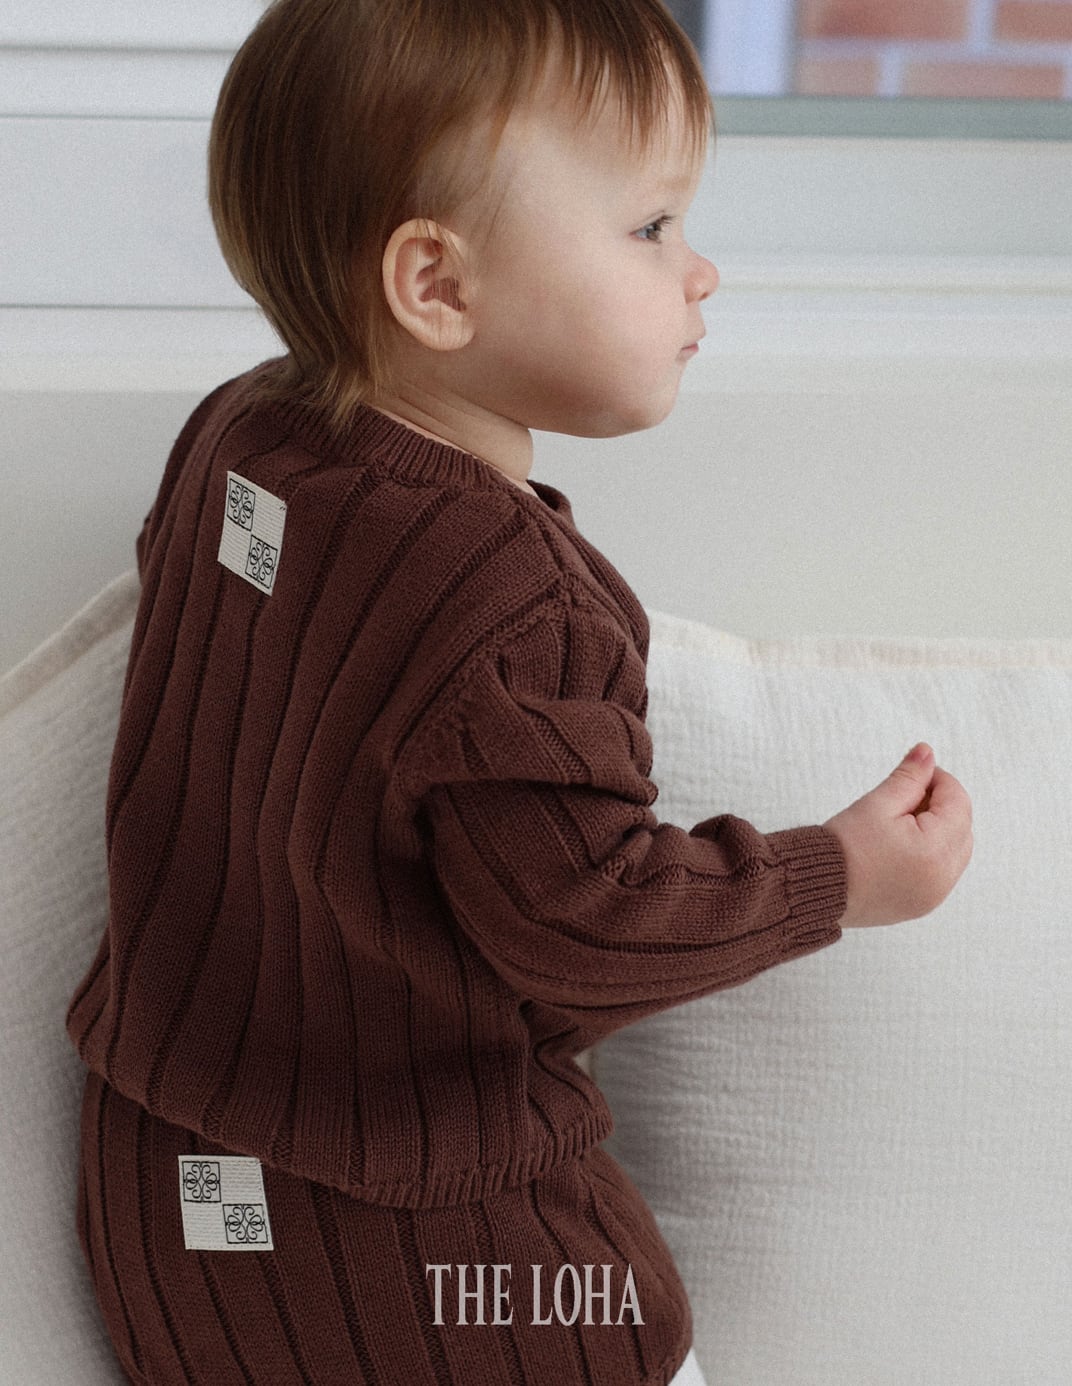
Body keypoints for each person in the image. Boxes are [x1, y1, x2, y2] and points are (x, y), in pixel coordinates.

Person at [66, 1, 973, 1382]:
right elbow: (584, 922)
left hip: (167, 1202)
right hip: (416, 1245)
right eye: (651, 227)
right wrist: (835, 876)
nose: (702, 270)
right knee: (636, 1346)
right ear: (437, 286)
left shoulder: (240, 440)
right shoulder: (515, 602)